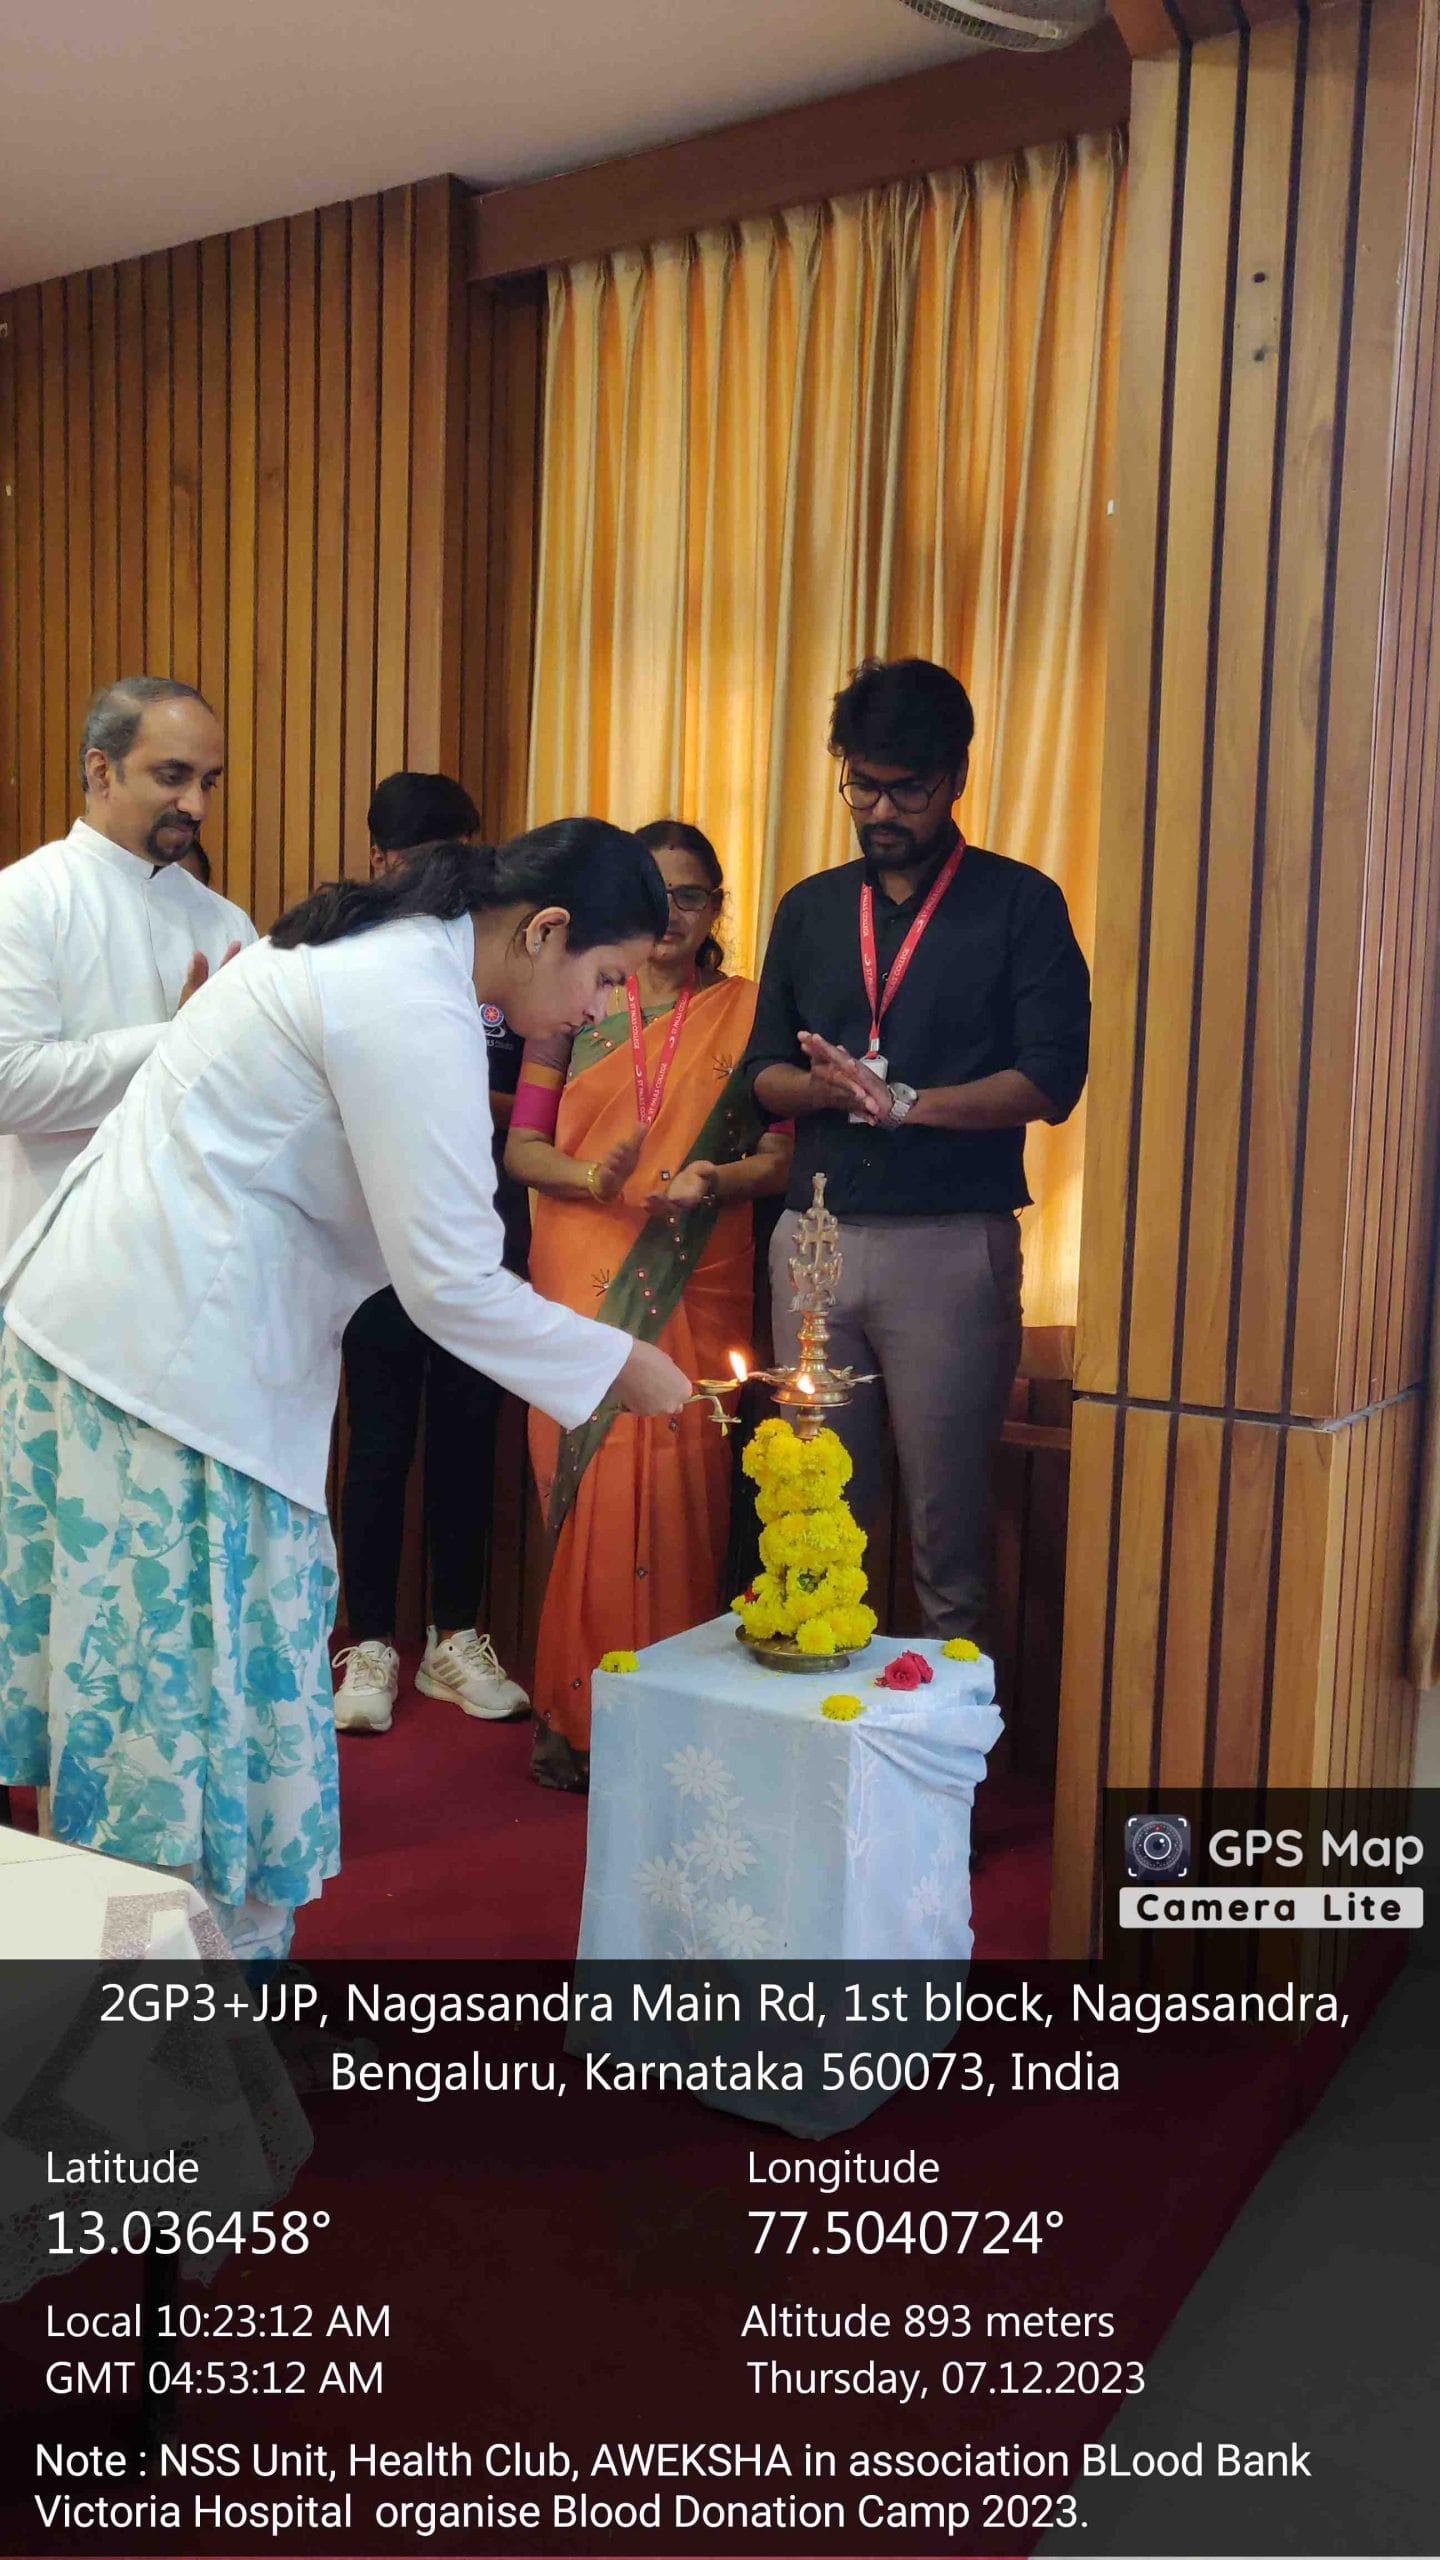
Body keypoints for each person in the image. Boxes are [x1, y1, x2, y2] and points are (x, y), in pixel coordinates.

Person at [0, 825, 689, 1957]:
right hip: (159, 1373)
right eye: (606, 977)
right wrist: (620, 1363)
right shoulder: (407, 998)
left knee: (192, 1710)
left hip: (133, 1342)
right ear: (546, 930)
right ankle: (156, 2015)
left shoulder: (399, 952)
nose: (598, 1008)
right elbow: (451, 1280)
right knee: (172, 1729)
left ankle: (197, 1994)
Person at [742, 657, 1090, 1646]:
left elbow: (1051, 1080)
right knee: (816, 1515)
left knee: (947, 1525)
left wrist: (907, 1103)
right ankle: (823, 1726)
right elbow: (761, 1073)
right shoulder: (811, 907)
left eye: (908, 789)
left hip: (948, 1242)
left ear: (957, 777)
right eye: (863, 786)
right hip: (813, 1243)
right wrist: (827, 1088)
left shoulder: (1020, 903)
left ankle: (943, 1741)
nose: (882, 811)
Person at [506, 818, 792, 1792]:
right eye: (655, 894)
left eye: (692, 896)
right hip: (580, 1263)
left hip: (695, 1264)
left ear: (718, 906)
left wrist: (715, 1179)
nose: (674, 914)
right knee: (591, 1482)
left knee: (678, 1482)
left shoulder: (748, 1014)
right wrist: (593, 1174)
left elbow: (779, 1157)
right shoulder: (572, 1002)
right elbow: (522, 1150)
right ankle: (578, 1721)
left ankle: (674, 1719)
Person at [332, 772, 531, 1733]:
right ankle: (368, 1640)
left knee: (466, 1438)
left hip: (481, 1230)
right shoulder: (348, 954)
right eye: (418, 858)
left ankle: (456, 1636)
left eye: (460, 856)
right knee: (375, 1444)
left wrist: (453, 1091)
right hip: (373, 1240)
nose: (441, 876)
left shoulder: (493, 951)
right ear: (380, 860)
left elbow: (537, 1096)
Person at [0, 676, 255, 1259]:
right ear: (101, 772)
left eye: (208, 782)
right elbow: (8, 1086)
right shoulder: (24, 900)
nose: (196, 806)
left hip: (191, 1254)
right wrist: (183, 1041)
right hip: (51, 1254)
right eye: (173, 776)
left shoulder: (226, 921)